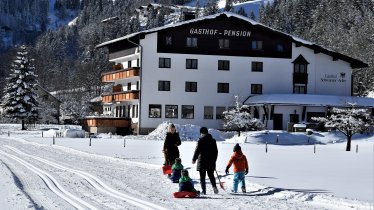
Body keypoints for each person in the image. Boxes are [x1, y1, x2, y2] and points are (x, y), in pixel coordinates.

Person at [192, 127, 218, 195]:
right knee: (211, 175)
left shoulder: (200, 140)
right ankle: (214, 186)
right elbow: (215, 152)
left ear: (201, 133)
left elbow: (197, 151)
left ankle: (204, 191)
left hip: (202, 161)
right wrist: (214, 160)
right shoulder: (213, 140)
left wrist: (194, 159)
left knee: (202, 177)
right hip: (211, 162)